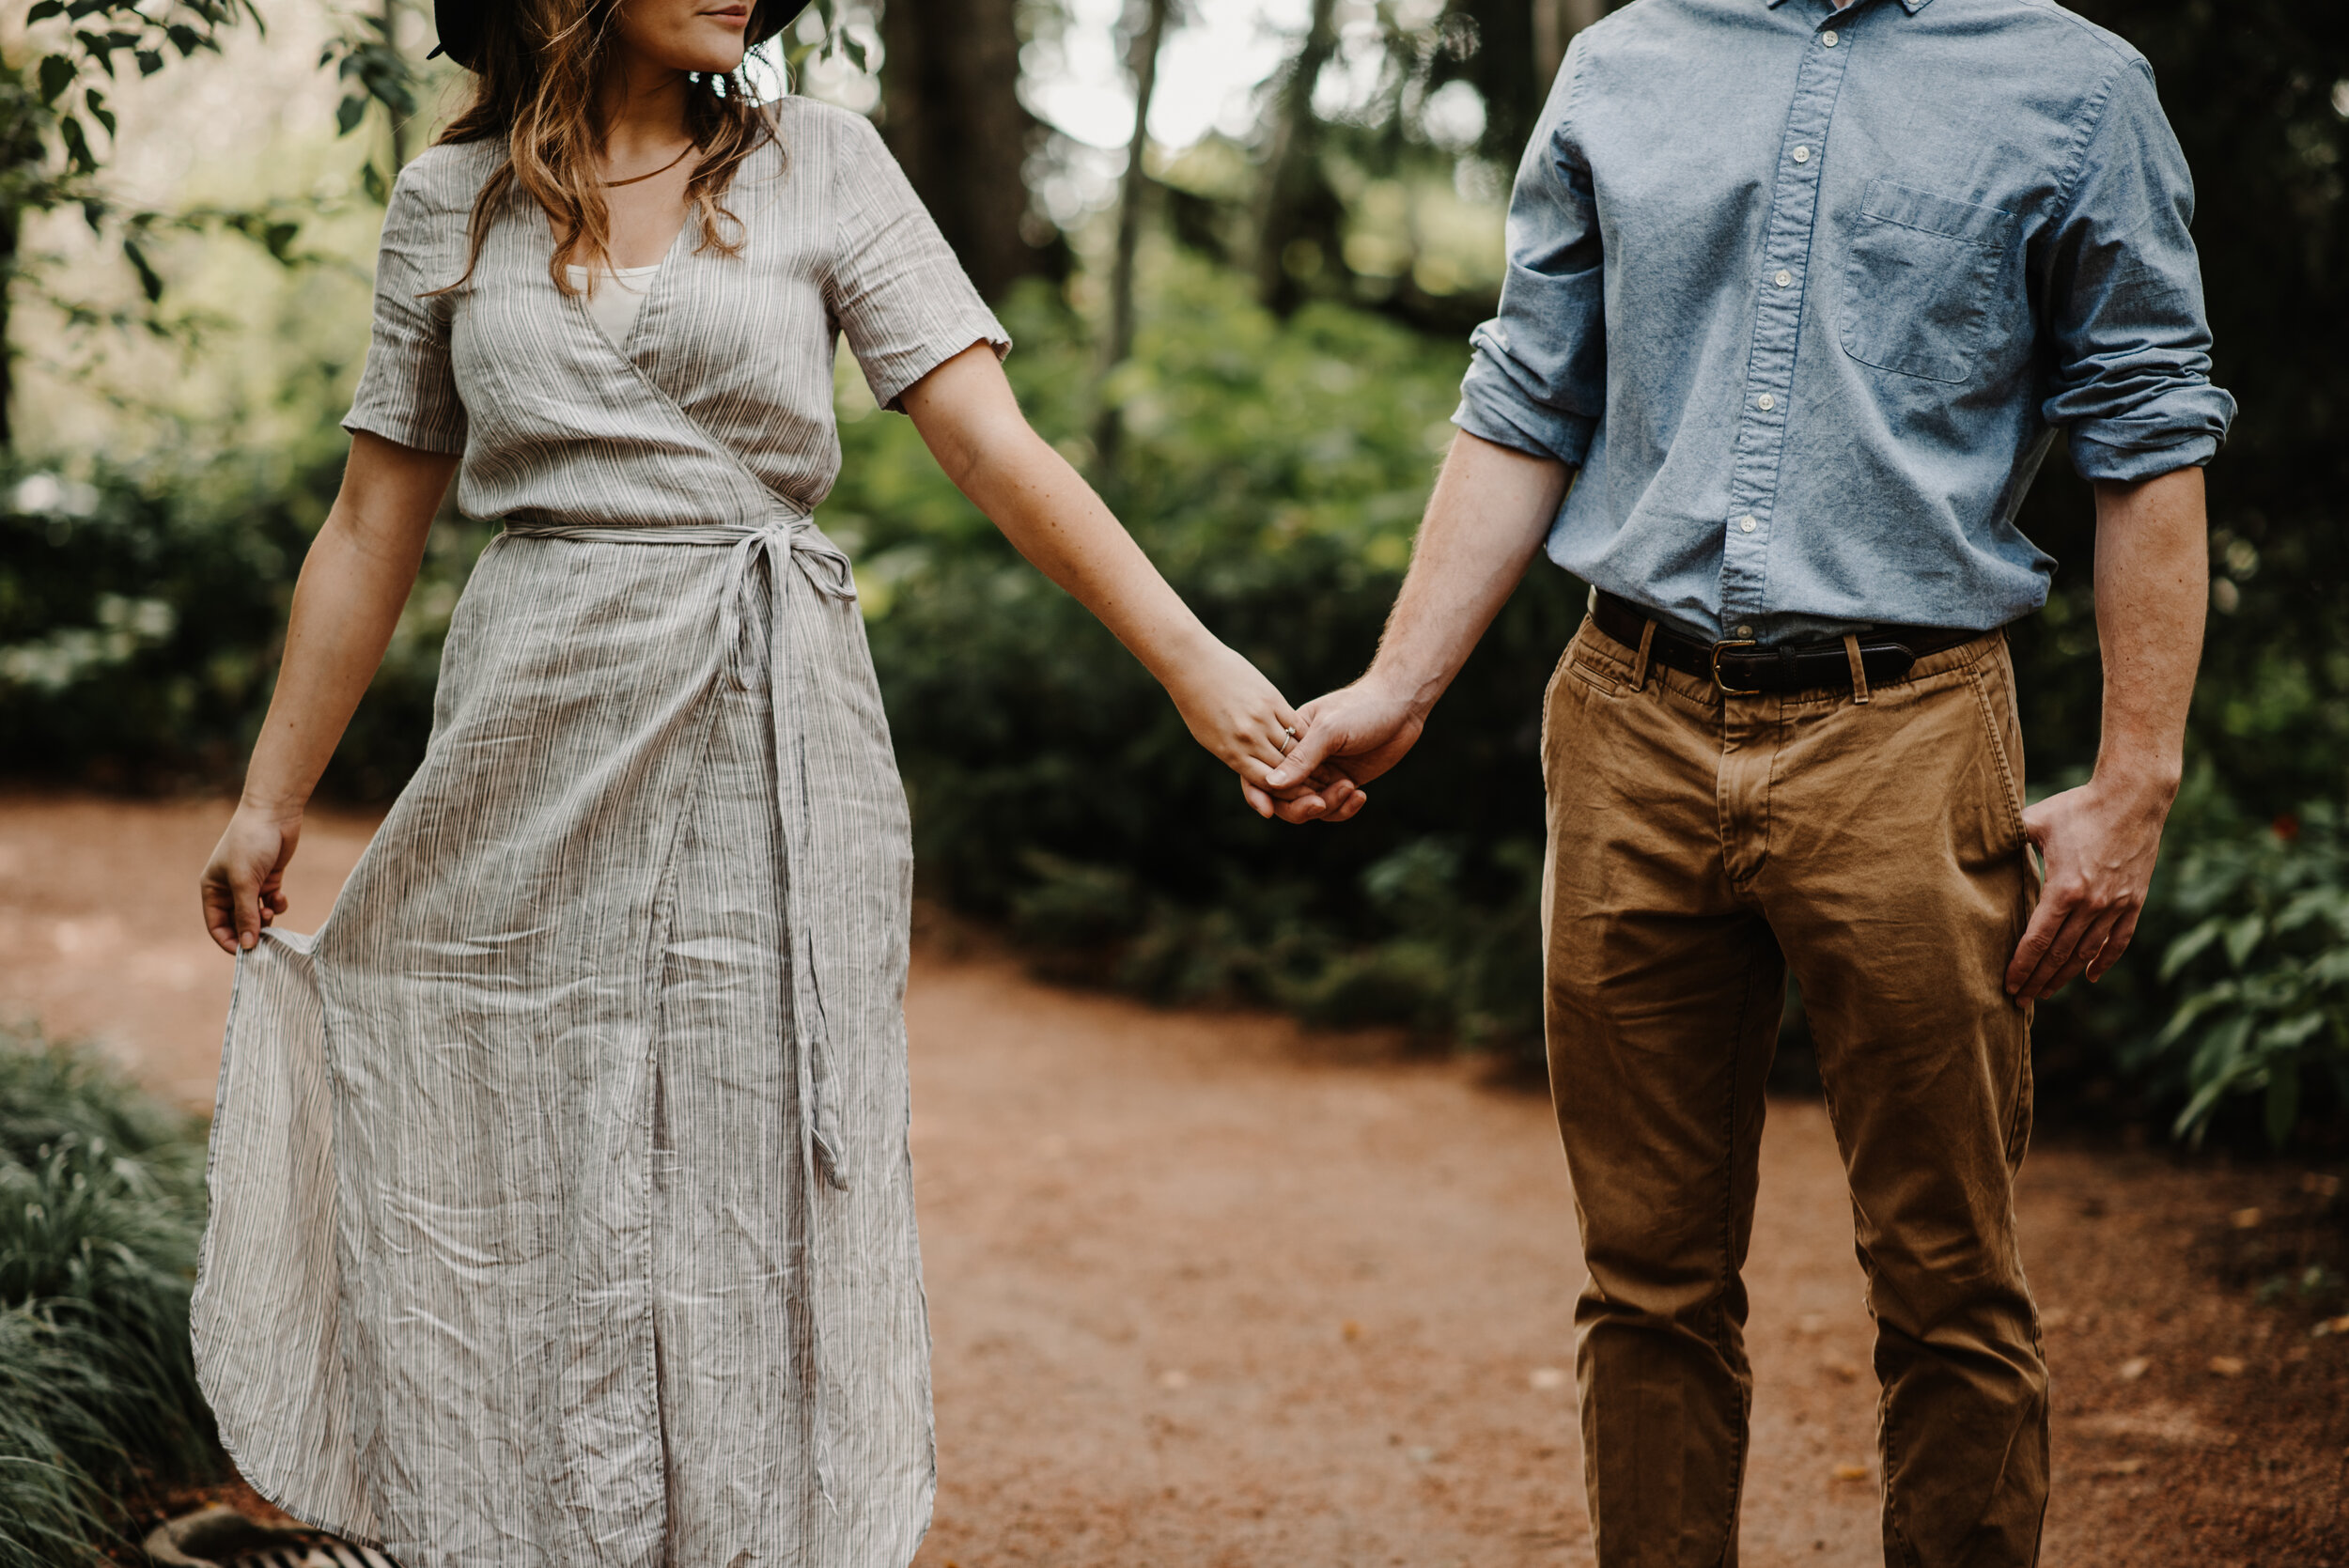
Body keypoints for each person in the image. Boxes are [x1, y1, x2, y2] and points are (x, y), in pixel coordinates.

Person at [191, 0, 1297, 1560]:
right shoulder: (450, 206)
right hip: (530, 730)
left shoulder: (823, 163)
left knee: (753, 1149)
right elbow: (375, 519)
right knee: (508, 1129)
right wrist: (268, 794)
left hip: (767, 726)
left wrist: (1196, 667)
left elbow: (995, 445)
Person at [1265, 1, 2232, 1563]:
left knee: (1948, 1280)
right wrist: (1398, 686)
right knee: (1644, 1278)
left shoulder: (2075, 87)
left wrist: (2136, 784)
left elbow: (2151, 435)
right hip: (1628, 715)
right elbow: (1529, 392)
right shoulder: (1627, 58)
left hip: (1909, 733)